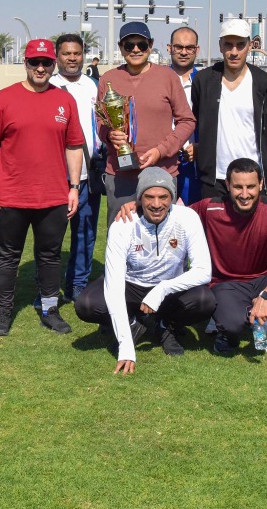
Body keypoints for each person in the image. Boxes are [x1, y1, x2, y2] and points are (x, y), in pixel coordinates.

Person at [0, 39, 83, 336]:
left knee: (50, 256)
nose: (40, 68)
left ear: (54, 65)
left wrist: (73, 187)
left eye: (46, 63)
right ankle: (3, 312)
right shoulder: (4, 99)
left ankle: (50, 309)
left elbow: (74, 146)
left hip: (53, 196)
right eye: (34, 62)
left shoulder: (65, 101)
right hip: (12, 195)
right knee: (8, 255)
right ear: (25, 63)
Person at [74, 167, 214, 372]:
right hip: (132, 285)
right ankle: (132, 323)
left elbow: (203, 270)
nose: (156, 204)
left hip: (170, 289)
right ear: (139, 198)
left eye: (163, 197)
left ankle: (166, 325)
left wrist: (163, 289)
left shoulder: (188, 218)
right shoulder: (123, 224)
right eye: (149, 197)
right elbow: (113, 287)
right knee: (86, 304)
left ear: (173, 197)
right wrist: (126, 347)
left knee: (205, 301)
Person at [194, 158, 267, 363]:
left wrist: (266, 296)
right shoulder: (209, 208)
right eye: (238, 187)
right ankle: (228, 334)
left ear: (261, 184)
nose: (245, 194)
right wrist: (139, 204)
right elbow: (175, 213)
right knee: (232, 324)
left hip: (263, 279)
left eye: (251, 186)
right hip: (225, 283)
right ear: (228, 185)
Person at [97, 21, 195, 222]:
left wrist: (161, 150)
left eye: (141, 45)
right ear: (120, 48)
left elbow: (187, 120)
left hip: (162, 172)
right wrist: (108, 134)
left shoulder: (167, 76)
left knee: (163, 239)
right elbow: (100, 122)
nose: (135, 49)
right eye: (129, 45)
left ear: (150, 45)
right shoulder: (108, 79)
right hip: (120, 174)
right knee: (122, 237)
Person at [190, 19, 267, 200]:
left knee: (253, 229)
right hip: (214, 179)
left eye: (240, 45)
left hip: (252, 177)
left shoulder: (265, 83)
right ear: (220, 46)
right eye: (228, 45)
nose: (234, 52)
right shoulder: (203, 80)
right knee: (214, 228)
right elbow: (197, 120)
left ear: (250, 46)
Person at [52, 32, 101, 301]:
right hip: (55, 177)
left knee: (85, 233)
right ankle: (46, 285)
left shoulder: (94, 86)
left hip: (87, 175)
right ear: (57, 56)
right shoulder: (48, 84)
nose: (72, 58)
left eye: (77, 53)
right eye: (66, 53)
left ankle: (77, 284)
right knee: (52, 236)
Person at [166, 26, 200, 204]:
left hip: (193, 161)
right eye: (179, 47)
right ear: (169, 48)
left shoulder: (206, 82)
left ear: (197, 50)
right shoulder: (158, 80)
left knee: (195, 219)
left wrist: (200, 146)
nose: (184, 52)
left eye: (189, 48)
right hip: (163, 160)